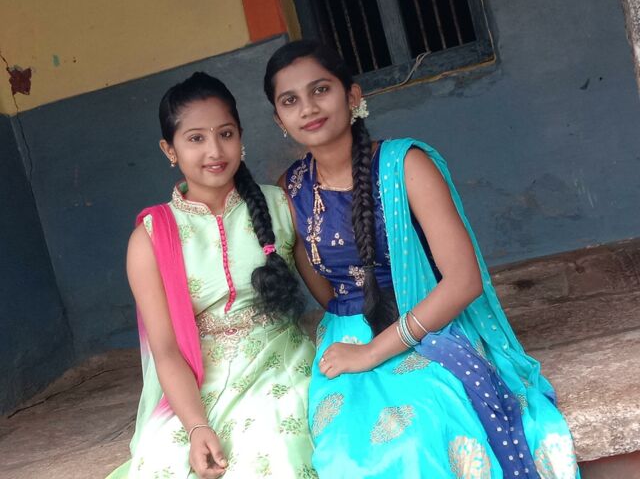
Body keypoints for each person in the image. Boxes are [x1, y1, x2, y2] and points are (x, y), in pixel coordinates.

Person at [264, 40, 580, 478]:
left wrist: (373, 351)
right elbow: (326, 292)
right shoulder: (291, 189)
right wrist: (358, 346)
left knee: (417, 438)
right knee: (344, 455)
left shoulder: (406, 165)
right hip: (345, 337)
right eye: (290, 101)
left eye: (321, 90)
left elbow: (464, 281)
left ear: (352, 95)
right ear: (279, 120)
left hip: (428, 323)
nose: (308, 108)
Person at [108, 72, 316, 479]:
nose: (215, 151)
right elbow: (166, 350)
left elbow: (328, 291)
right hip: (197, 379)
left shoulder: (279, 205)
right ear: (170, 150)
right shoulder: (149, 239)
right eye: (196, 138)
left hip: (283, 364)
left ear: (241, 137)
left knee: (274, 453)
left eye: (226, 134)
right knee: (163, 463)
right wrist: (196, 426)